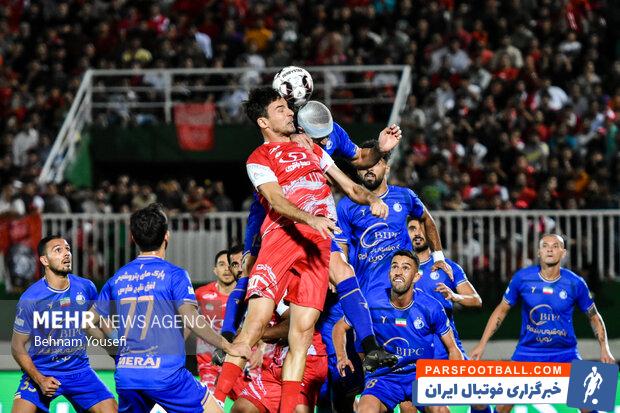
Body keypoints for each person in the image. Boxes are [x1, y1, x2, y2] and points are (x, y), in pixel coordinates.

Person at [214, 87, 389, 413]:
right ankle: (214, 403)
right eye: (281, 109)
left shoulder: (312, 149)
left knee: (302, 335)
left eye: (288, 107)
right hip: (281, 239)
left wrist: (371, 199)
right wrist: (310, 217)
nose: (290, 113)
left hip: (316, 245)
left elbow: (350, 186)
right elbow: (276, 200)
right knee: (254, 326)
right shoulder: (259, 158)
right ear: (264, 122)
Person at [89, 203, 250, 412]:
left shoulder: (117, 277)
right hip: (166, 375)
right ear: (167, 236)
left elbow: (87, 321)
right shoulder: (175, 275)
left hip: (128, 375)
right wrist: (227, 346)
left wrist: (114, 349)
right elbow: (191, 318)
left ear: (133, 238)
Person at [471, 234, 615, 413]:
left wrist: (605, 348)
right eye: (545, 246)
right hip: (527, 352)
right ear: (539, 252)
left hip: (565, 353)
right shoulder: (522, 278)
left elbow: (594, 316)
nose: (550, 249)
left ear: (563, 253)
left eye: (555, 246)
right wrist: (482, 344)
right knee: (502, 407)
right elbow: (501, 310)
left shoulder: (575, 283)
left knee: (591, 404)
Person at [332, 250, 463, 413]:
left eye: (406, 268)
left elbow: (453, 349)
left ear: (416, 277)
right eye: (395, 266)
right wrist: (341, 357)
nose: (399, 272)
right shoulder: (372, 302)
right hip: (384, 378)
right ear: (389, 273)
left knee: (441, 410)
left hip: (419, 376)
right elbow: (339, 327)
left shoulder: (431, 307)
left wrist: (450, 382)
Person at [11, 235, 117, 413]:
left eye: (67, 249)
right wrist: (40, 379)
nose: (66, 253)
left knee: (112, 410)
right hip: (43, 369)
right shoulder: (30, 298)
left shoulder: (86, 287)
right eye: (58, 250)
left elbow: (96, 323)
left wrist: (116, 349)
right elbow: (17, 347)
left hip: (79, 371)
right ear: (44, 260)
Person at [408, 217, 489, 413]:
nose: (417, 233)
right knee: (429, 408)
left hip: (450, 349)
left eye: (422, 228)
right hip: (418, 354)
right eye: (412, 229)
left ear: (431, 234)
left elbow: (476, 300)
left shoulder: (447, 267)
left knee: (481, 401)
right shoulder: (401, 269)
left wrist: (455, 296)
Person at [231, 300, 328, 413]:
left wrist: (256, 334)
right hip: (280, 359)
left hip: (306, 360)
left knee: (296, 410)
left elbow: (295, 324)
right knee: (242, 408)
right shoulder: (253, 294)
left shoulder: (279, 293)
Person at [195, 246, 240, 388]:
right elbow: (187, 321)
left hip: (240, 364)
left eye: (230, 264)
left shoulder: (246, 295)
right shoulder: (200, 294)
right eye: (221, 264)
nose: (226, 269)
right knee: (211, 399)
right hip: (209, 365)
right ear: (215, 270)